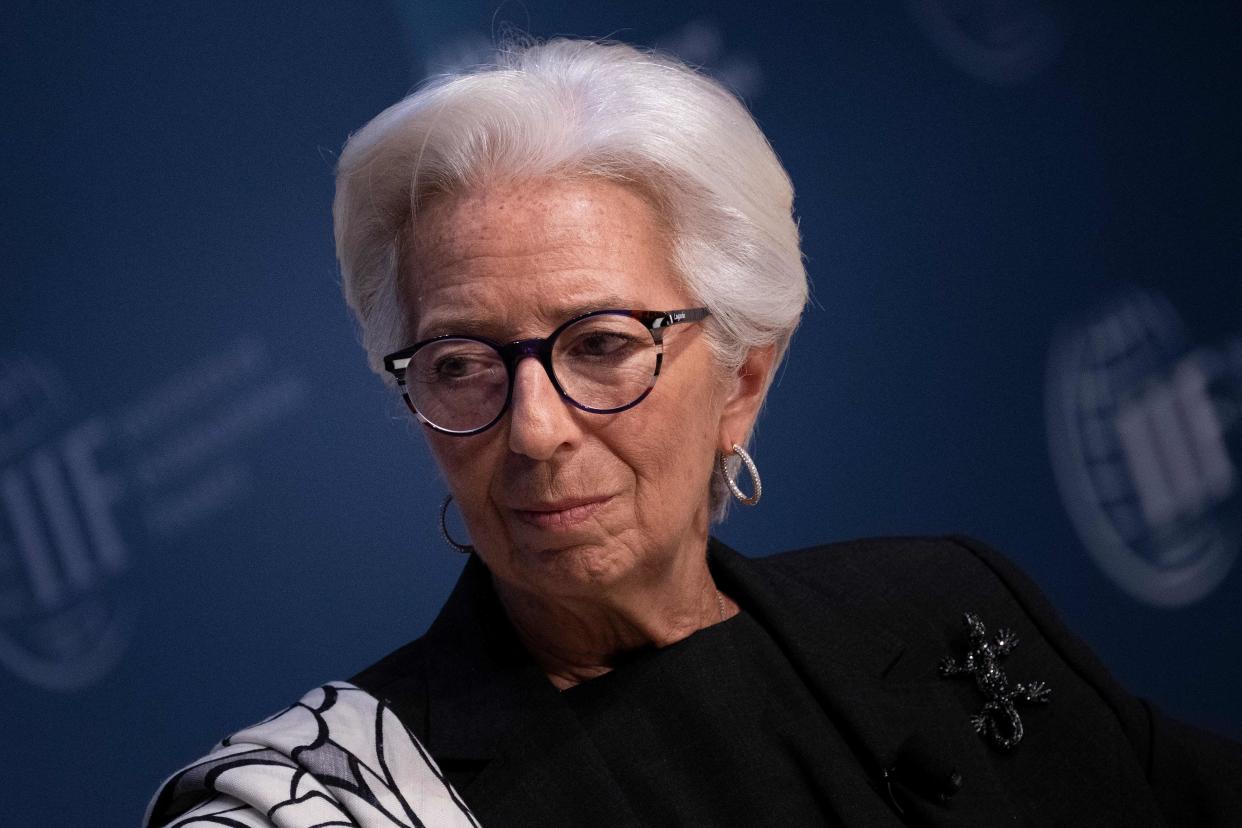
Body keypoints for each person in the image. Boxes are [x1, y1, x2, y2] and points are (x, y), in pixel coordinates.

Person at [146, 39, 1242, 827]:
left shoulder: (947, 604)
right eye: (463, 365)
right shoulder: (318, 800)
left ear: (742, 382)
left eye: (602, 345)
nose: (533, 431)